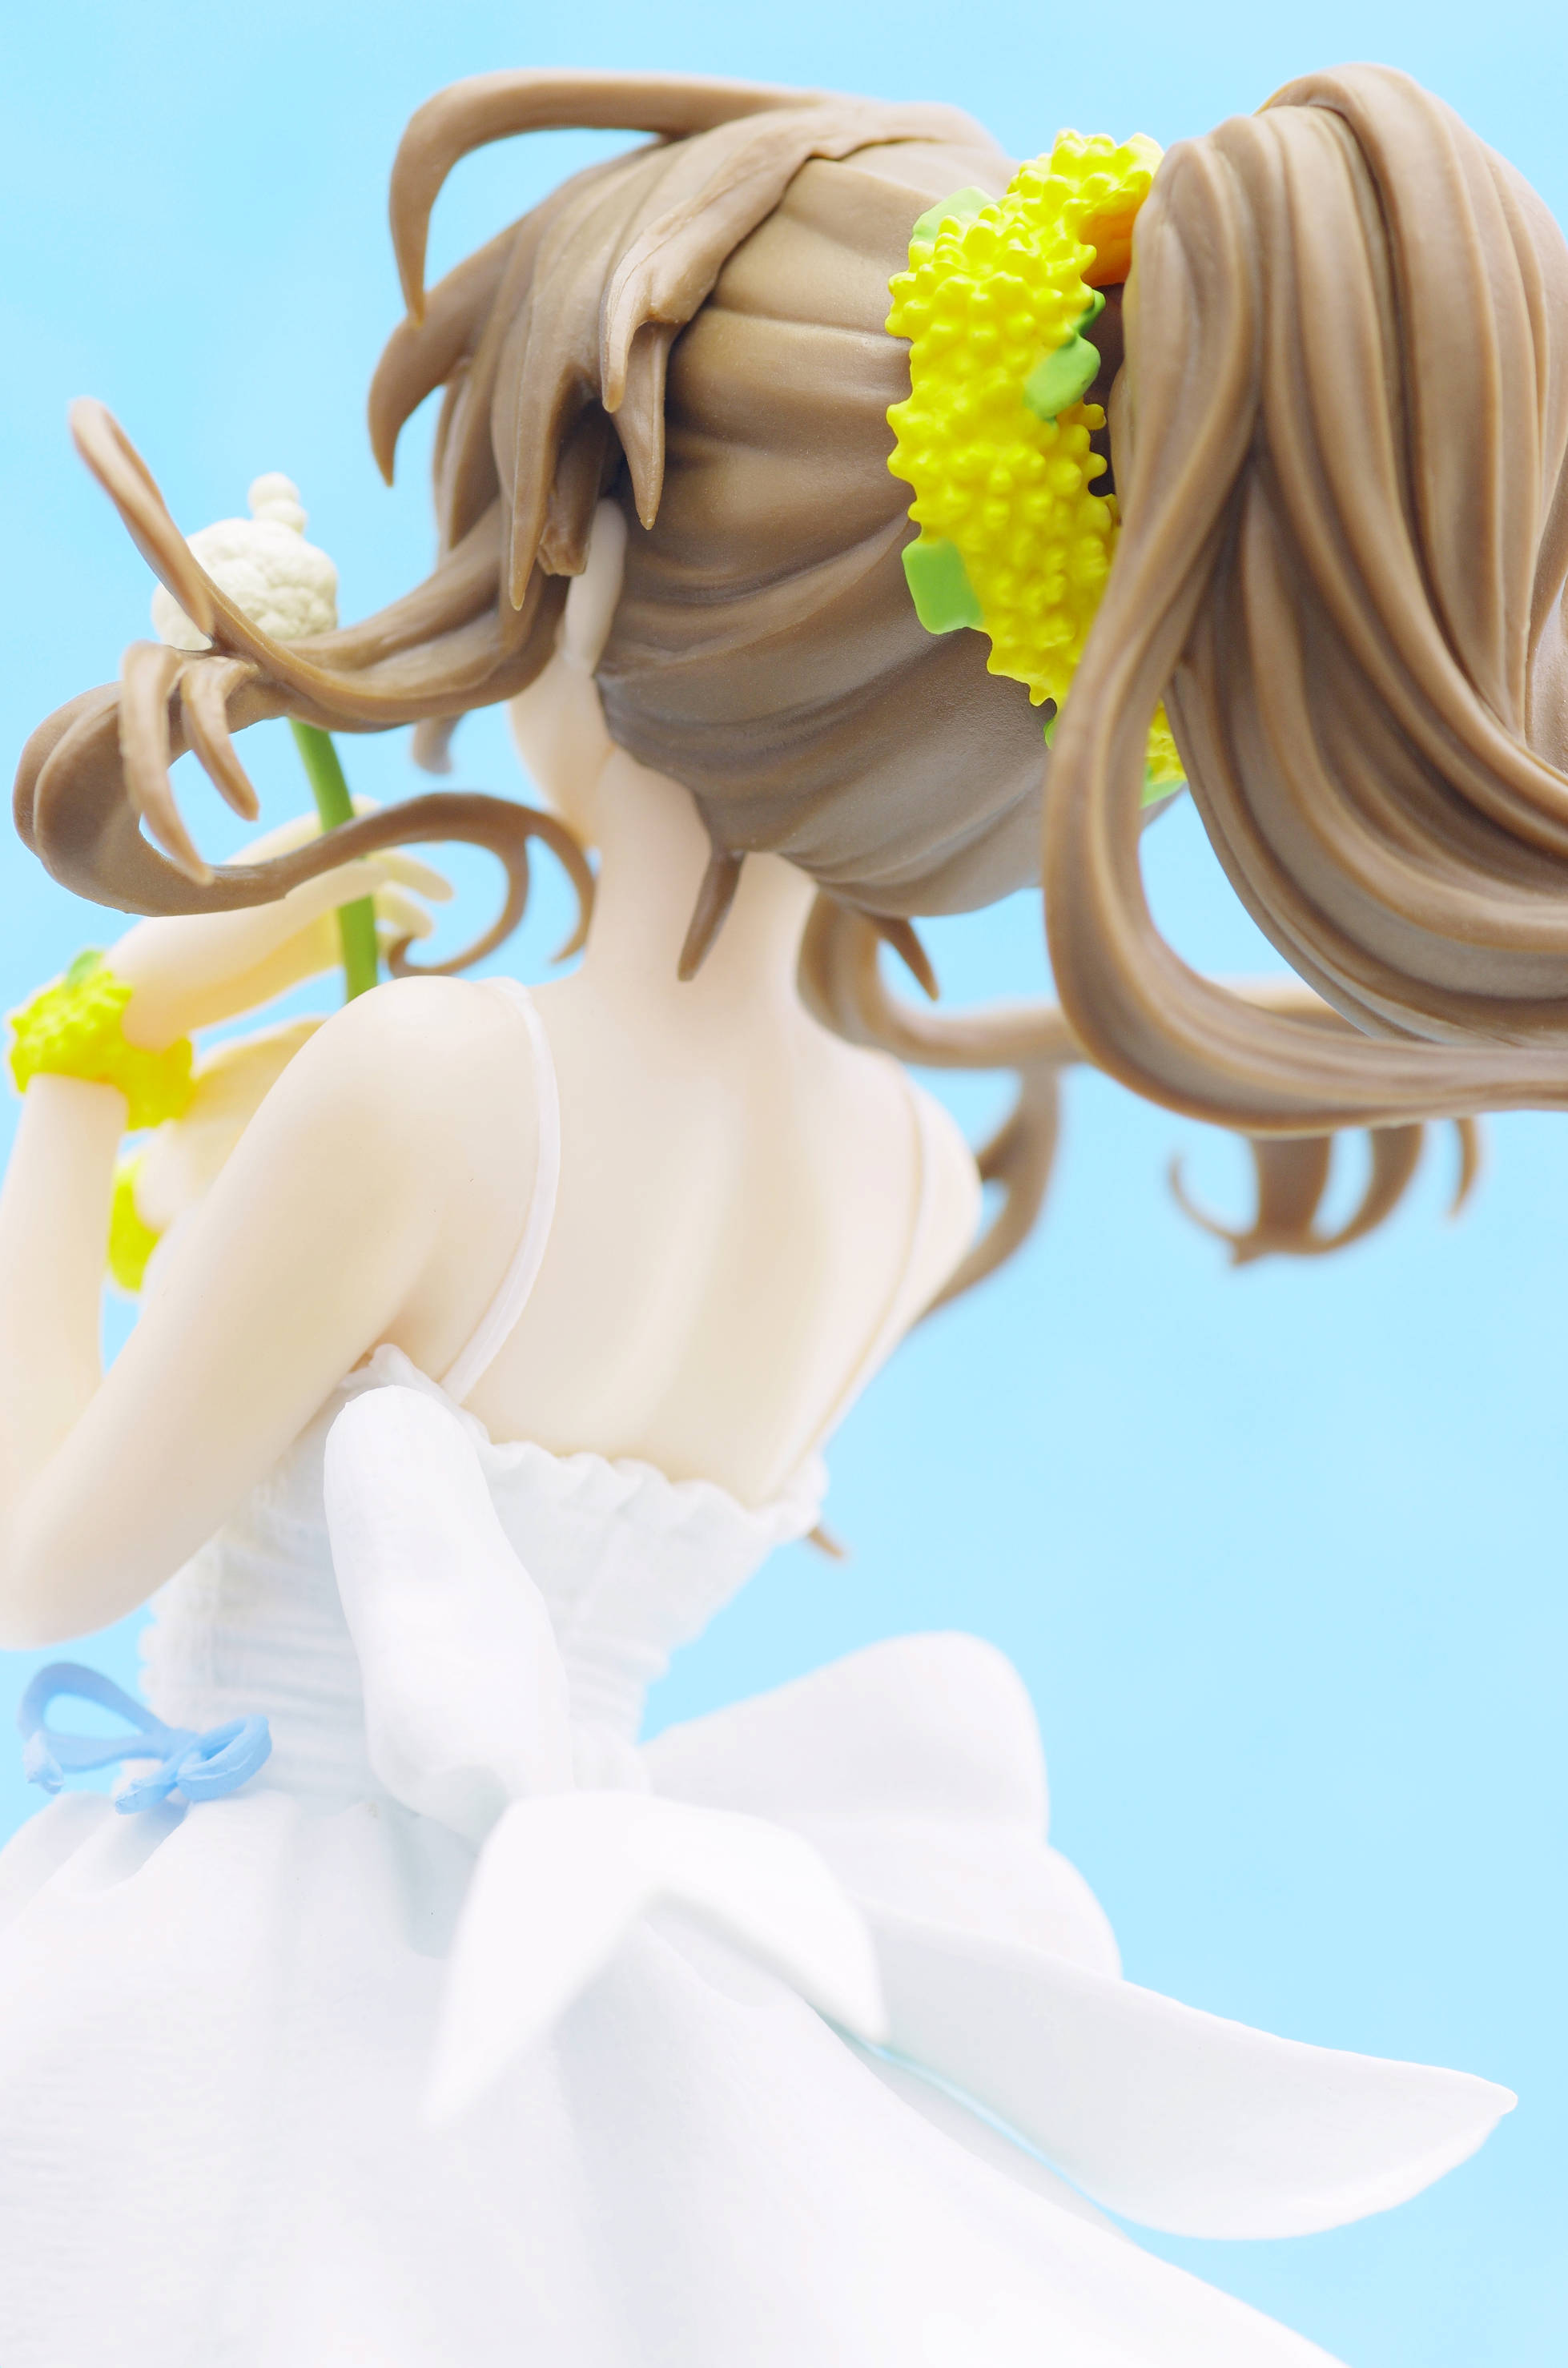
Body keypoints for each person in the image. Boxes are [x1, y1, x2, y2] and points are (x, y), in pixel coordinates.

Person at [0, 58, 1550, 2364]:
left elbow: (45, 1561)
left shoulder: (433, 1078)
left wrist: (74, 1078)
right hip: (599, 2054)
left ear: (595, 561)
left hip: (243, 1987)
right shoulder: (906, 1171)